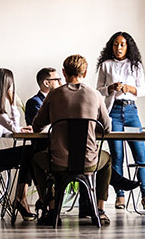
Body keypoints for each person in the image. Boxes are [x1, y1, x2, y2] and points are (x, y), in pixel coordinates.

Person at [33, 54, 113, 225]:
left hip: (58, 162)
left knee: (35, 161)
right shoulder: (95, 95)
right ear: (85, 73)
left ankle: (52, 209)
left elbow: (37, 124)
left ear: (63, 72)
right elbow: (107, 128)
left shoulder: (54, 95)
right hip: (88, 162)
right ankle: (99, 210)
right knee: (107, 160)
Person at [96, 31, 145, 210]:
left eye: (122, 44)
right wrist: (111, 88)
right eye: (115, 44)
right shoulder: (105, 65)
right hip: (113, 112)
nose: (119, 48)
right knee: (117, 156)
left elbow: (143, 91)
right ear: (111, 46)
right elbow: (98, 89)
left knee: (140, 155)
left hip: (131, 111)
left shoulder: (135, 65)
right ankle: (120, 196)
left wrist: (128, 88)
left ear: (128, 46)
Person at [0, 68, 36, 221]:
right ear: (6, 87)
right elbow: (14, 128)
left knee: (28, 153)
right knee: (30, 152)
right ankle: (21, 199)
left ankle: (21, 199)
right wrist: (13, 104)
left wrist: (18, 130)